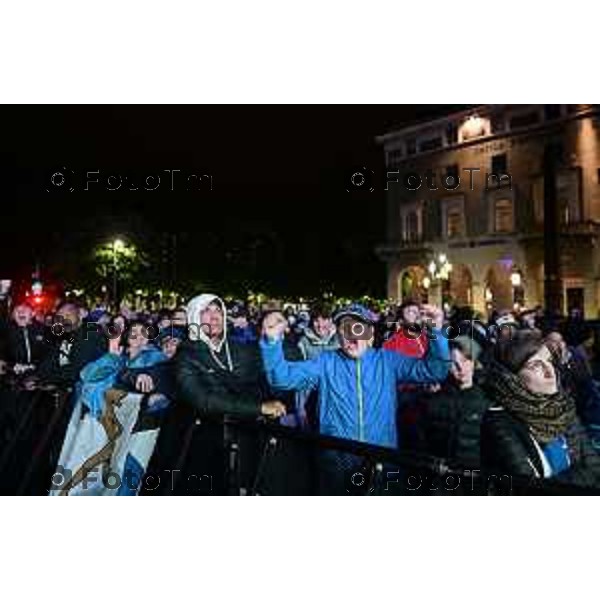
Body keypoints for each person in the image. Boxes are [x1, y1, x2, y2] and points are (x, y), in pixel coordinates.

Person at [260, 303, 450, 493]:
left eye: (357, 328)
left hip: (381, 464)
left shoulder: (387, 361)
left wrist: (435, 333)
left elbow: (434, 370)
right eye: (343, 329)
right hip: (335, 464)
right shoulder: (326, 362)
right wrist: (271, 342)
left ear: (370, 335)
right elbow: (281, 378)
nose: (350, 335)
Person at [168, 294, 286, 494]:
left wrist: (272, 340)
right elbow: (203, 400)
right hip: (203, 445)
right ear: (195, 318)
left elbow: (270, 381)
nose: (214, 316)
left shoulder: (241, 349)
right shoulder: (185, 355)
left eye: (218, 310)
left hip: (247, 441)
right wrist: (259, 407)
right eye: (206, 311)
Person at [50, 320, 171, 495]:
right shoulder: (116, 357)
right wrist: (112, 355)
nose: (137, 335)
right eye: (133, 331)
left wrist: (142, 376)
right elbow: (87, 375)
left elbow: (159, 379)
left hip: (132, 429)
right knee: (85, 474)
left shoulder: (155, 357)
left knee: (120, 477)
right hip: (98, 423)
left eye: (143, 331)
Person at [482, 330, 600, 488]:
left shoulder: (562, 406)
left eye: (550, 361)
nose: (550, 372)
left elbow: (595, 467)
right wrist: (580, 476)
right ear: (513, 377)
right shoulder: (499, 421)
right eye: (536, 366)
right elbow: (531, 489)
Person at [421, 336, 491, 475]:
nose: (460, 367)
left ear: (474, 362)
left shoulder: (486, 400)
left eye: (465, 360)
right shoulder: (434, 400)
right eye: (454, 362)